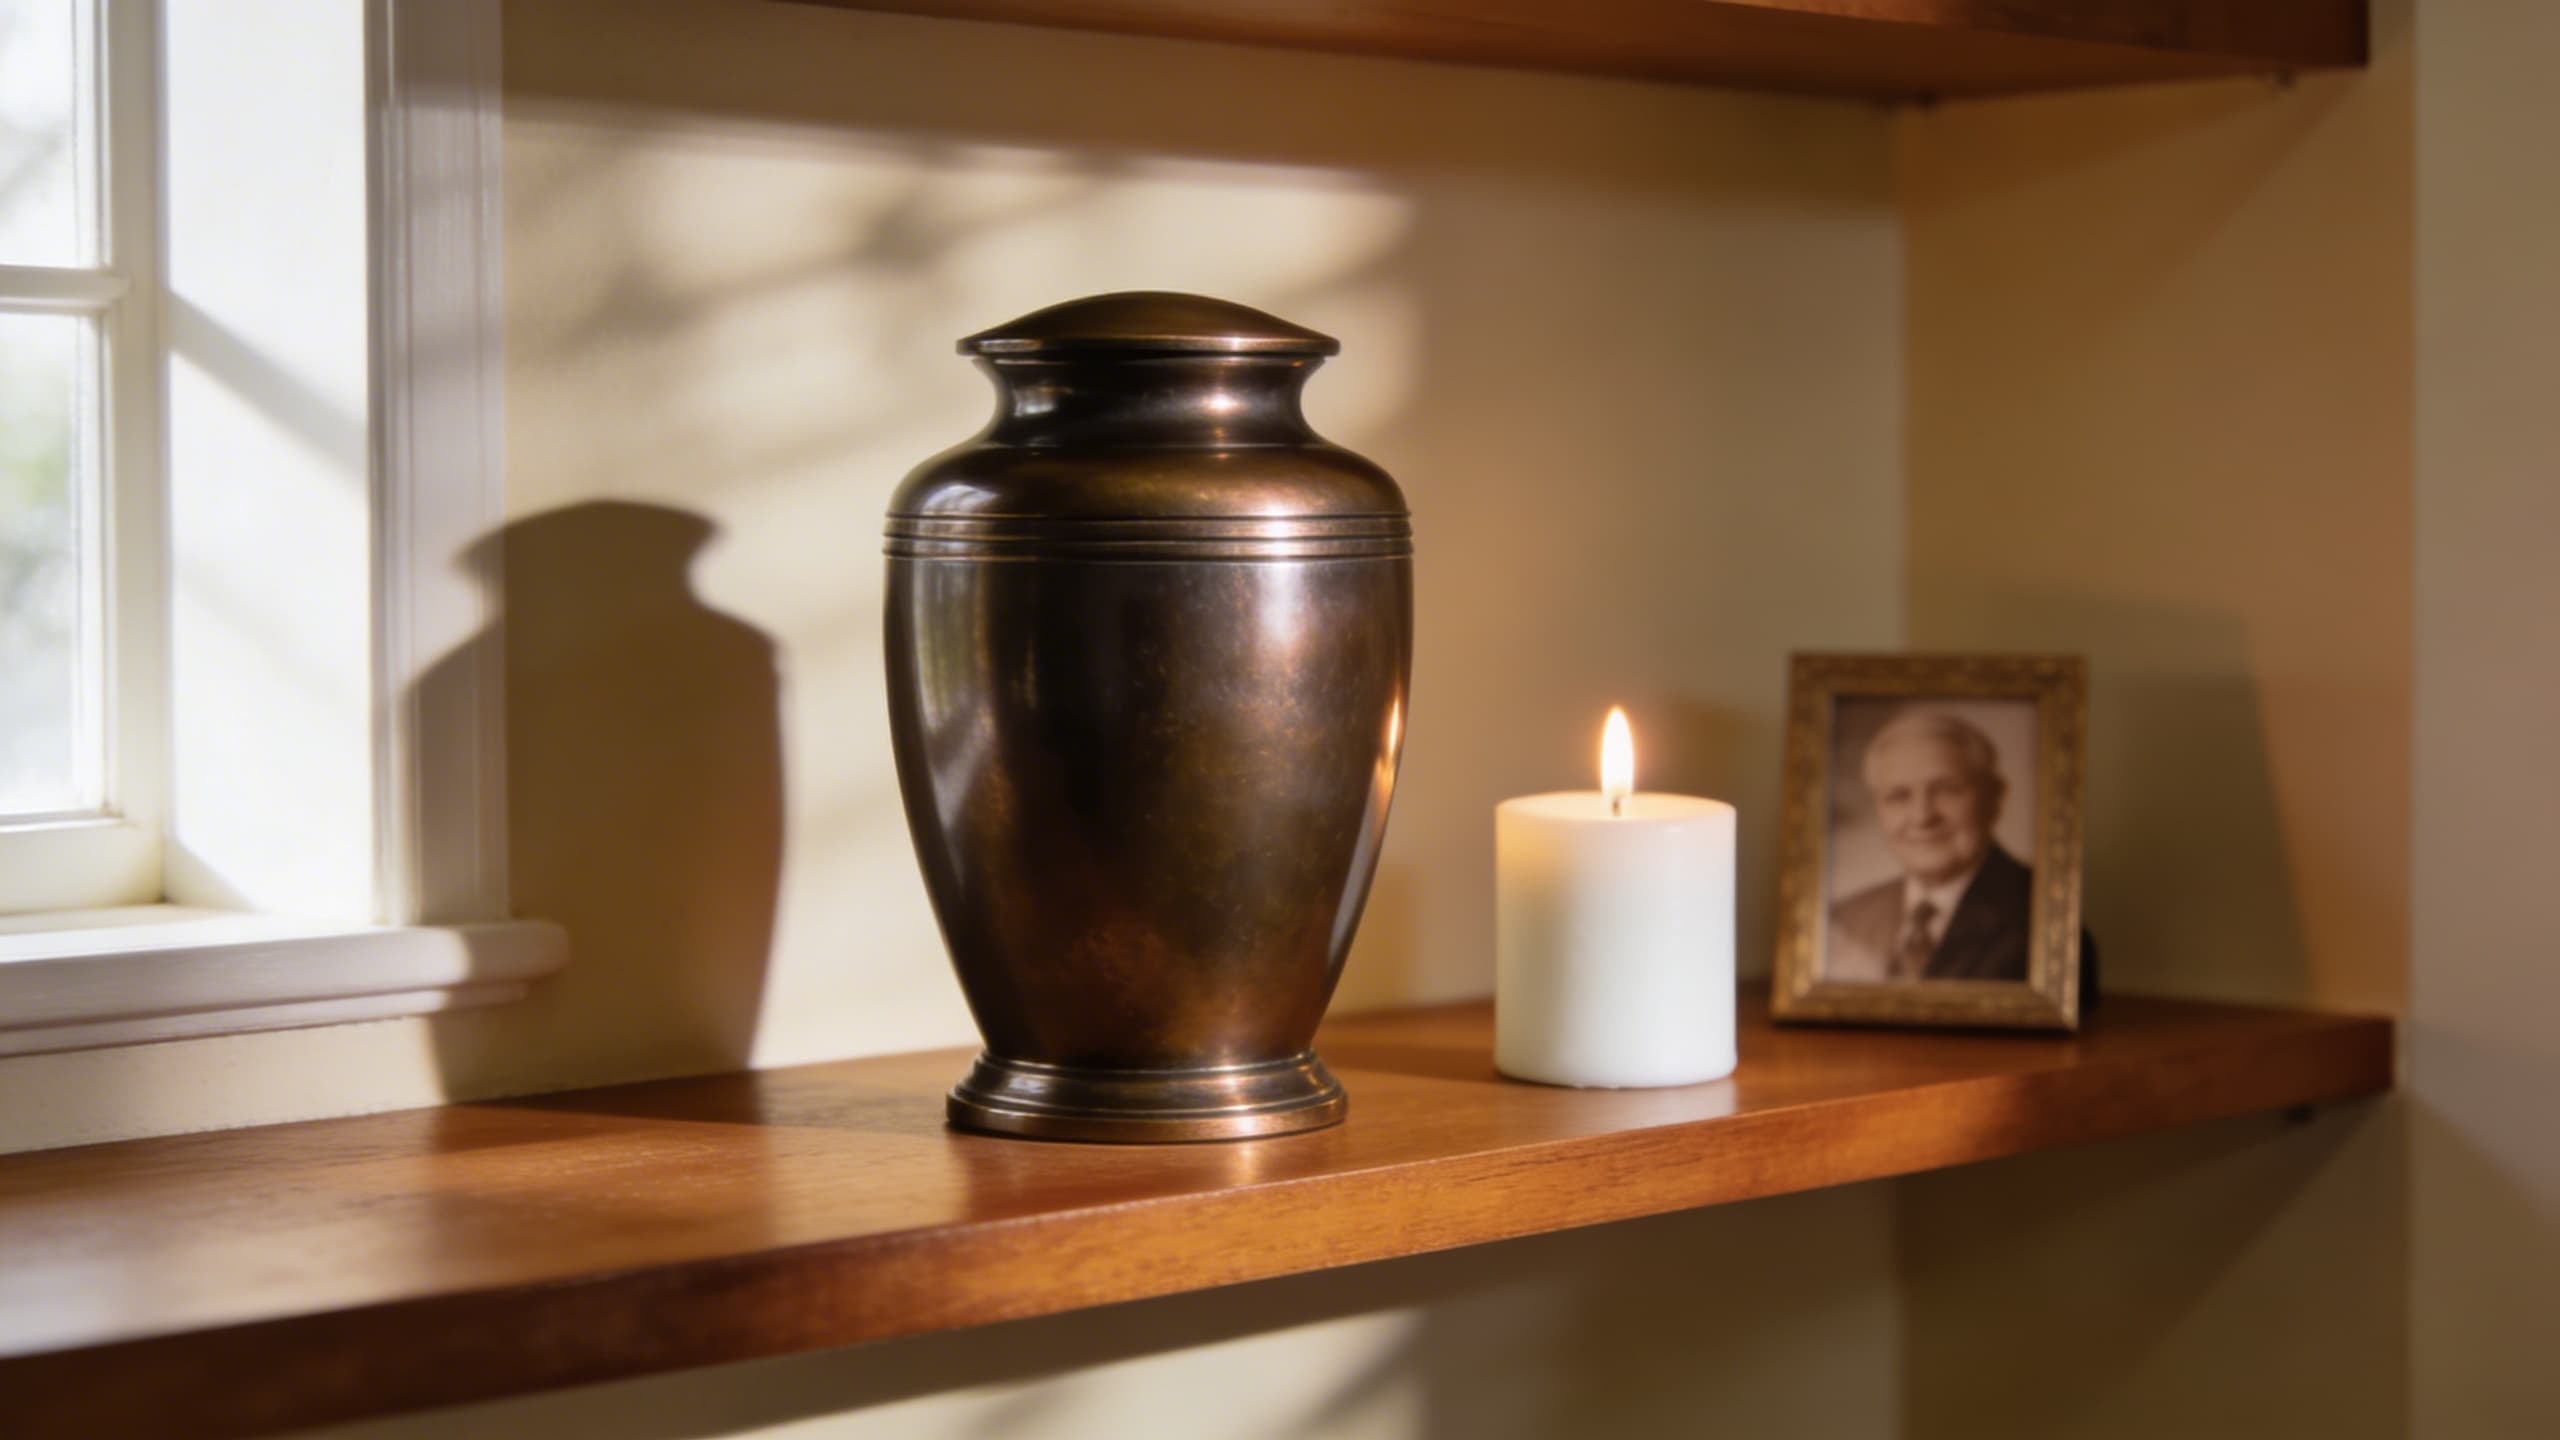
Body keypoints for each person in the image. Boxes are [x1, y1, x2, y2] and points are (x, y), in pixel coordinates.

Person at [1827, 708, 2033, 983]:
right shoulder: (1845, 918)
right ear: (1877, 808)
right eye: (1898, 796)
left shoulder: (2042, 915)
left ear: (1995, 798)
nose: (1923, 817)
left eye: (1947, 789)